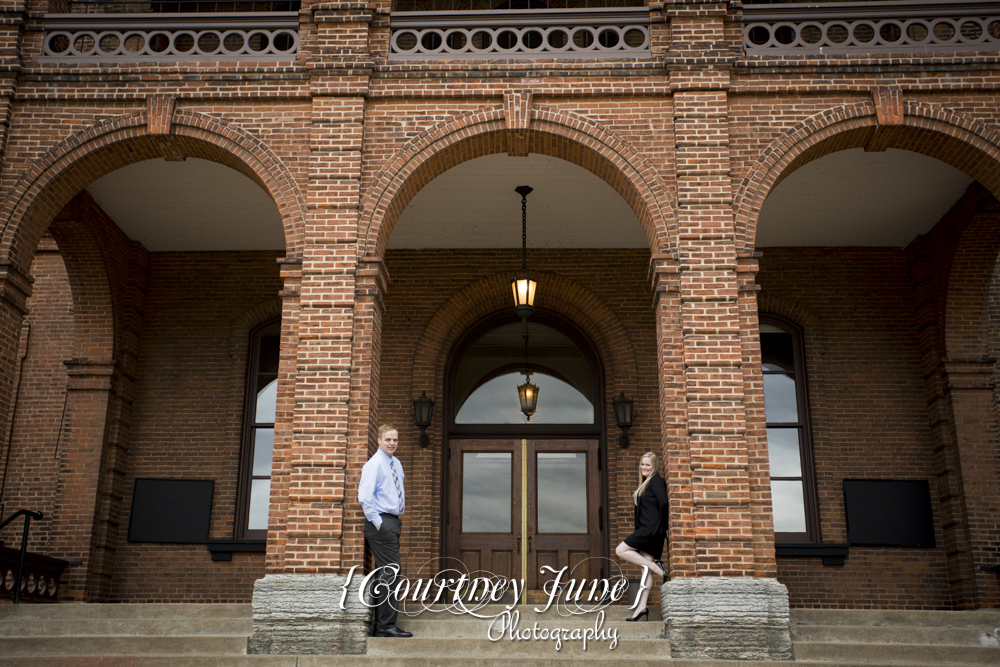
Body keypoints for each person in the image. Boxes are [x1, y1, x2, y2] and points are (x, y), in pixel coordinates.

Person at [358, 424, 413, 638]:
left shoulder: (395, 463)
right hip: (381, 522)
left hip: (392, 522)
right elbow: (365, 496)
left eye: (395, 440)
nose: (392, 443)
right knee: (391, 571)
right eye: (388, 439)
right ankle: (385, 626)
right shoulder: (375, 464)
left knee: (386, 573)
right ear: (379, 440)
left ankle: (379, 624)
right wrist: (377, 521)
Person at [615, 451, 668, 621]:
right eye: (642, 464)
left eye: (648, 465)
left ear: (654, 467)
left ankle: (655, 567)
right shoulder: (645, 483)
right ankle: (642, 607)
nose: (644, 467)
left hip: (651, 530)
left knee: (620, 550)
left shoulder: (656, 481)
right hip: (647, 529)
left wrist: (664, 527)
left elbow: (664, 502)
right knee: (645, 568)